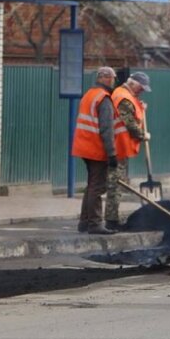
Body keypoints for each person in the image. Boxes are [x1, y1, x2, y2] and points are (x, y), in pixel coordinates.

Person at [71, 67, 119, 235]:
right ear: (105, 78)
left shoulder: (89, 95)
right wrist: (112, 153)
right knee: (97, 187)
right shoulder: (104, 99)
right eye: (113, 78)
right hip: (95, 148)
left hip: (84, 146)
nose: (114, 81)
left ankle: (84, 222)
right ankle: (95, 223)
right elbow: (107, 129)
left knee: (91, 186)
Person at [106, 71, 152, 231]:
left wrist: (140, 106)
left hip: (119, 147)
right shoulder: (123, 97)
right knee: (114, 184)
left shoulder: (126, 95)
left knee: (117, 183)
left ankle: (105, 218)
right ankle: (111, 221)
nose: (142, 91)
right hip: (117, 147)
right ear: (132, 83)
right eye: (141, 88)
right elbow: (130, 123)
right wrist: (143, 135)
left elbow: (133, 111)